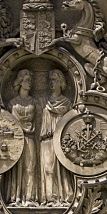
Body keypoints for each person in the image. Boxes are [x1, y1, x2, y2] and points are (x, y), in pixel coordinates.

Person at [40, 69, 74, 205]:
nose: (51, 83)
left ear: (61, 82)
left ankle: (66, 197)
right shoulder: (44, 102)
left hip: (61, 141)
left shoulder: (66, 103)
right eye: (50, 80)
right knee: (48, 169)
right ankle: (50, 198)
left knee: (63, 170)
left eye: (54, 80)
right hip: (46, 140)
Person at [6, 69, 38, 205]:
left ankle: (30, 198)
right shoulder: (12, 103)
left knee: (30, 167)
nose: (29, 83)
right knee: (15, 169)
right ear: (20, 82)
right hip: (16, 139)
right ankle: (15, 197)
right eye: (26, 80)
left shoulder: (35, 102)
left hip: (30, 137)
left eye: (30, 80)